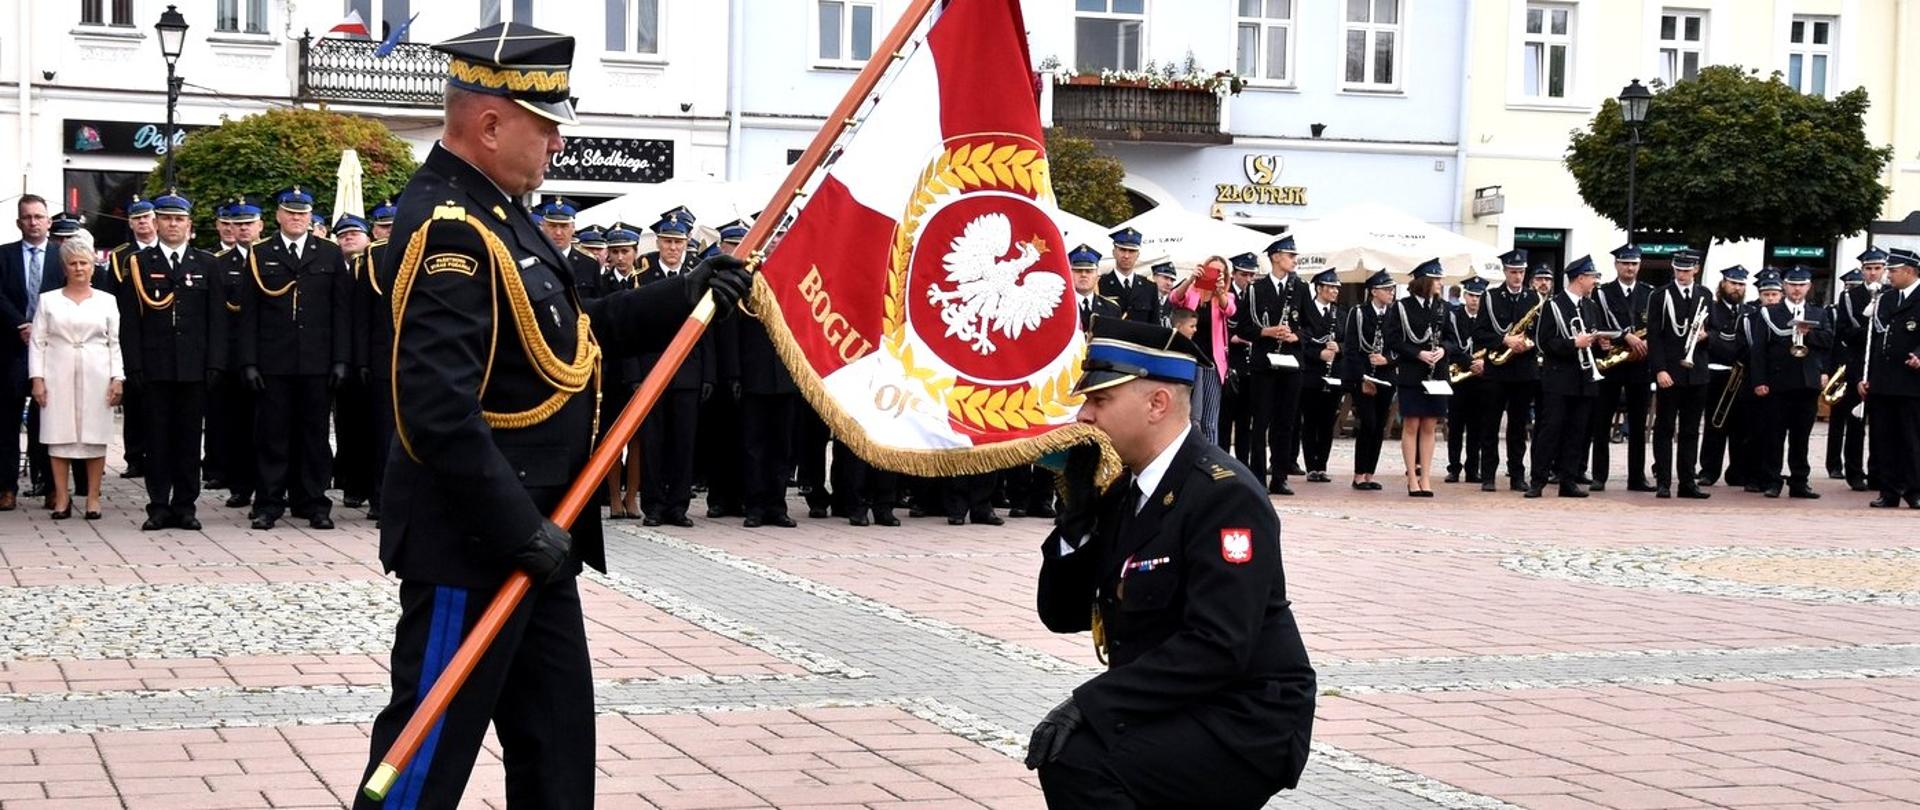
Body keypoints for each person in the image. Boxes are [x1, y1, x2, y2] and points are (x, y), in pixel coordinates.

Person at [355, 23, 751, 809]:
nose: (559, 141)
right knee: (422, 761)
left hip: (540, 533)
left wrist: (688, 293)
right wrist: (518, 531)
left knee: (559, 753)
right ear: (491, 122)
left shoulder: (503, 215)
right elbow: (437, 413)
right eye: (545, 123)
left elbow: (572, 335)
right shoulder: (450, 231)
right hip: (474, 543)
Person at [1028, 316, 1315, 808]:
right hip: (1181, 700)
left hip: (1246, 715)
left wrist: (1090, 703)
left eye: (1100, 401)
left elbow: (1219, 644)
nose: (1084, 417)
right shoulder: (1127, 490)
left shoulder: (1223, 496)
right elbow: (1063, 615)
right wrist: (1074, 522)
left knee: (1079, 761)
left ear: (1157, 403)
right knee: (1073, 755)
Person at [241, 187, 352, 530]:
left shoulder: (329, 254)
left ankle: (313, 502)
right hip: (274, 361)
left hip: (317, 362)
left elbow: (341, 311)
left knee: (314, 436)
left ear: (310, 217)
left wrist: (340, 359)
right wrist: (249, 361)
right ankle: (269, 504)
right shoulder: (260, 253)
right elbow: (248, 314)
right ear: (277, 216)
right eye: (290, 212)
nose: (296, 218)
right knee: (272, 435)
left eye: (302, 213)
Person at [122, 191, 228, 530]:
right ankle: (158, 506)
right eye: (166, 218)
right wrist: (134, 365)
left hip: (194, 367)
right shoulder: (140, 263)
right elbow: (130, 321)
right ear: (156, 222)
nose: (173, 224)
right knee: (156, 440)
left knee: (187, 440)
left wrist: (215, 363)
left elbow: (217, 320)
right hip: (155, 367)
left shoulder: (207, 263)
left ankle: (185, 506)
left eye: (179, 219)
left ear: (189, 225)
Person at [26, 233, 122, 520]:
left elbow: (114, 342)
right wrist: (38, 378)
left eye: (84, 262)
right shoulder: (48, 300)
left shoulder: (107, 301)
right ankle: (61, 497)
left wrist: (117, 377)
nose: (79, 268)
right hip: (58, 371)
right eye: (73, 263)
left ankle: (93, 497)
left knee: (95, 435)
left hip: (97, 371)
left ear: (93, 265)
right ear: (64, 267)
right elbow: (38, 342)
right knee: (59, 436)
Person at [634, 207, 716, 528]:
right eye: (667, 242)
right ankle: (653, 506)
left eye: (677, 242)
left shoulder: (699, 274)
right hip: (652, 371)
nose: (672, 248)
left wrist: (708, 374)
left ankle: (678, 507)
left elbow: (708, 329)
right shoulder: (643, 277)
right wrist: (635, 376)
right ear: (658, 244)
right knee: (653, 444)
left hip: (688, 373)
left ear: (686, 244)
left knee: (684, 442)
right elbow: (634, 329)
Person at [1528, 257, 1608, 498]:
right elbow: (1543, 342)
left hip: (1584, 379)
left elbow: (1592, 339)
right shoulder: (1553, 306)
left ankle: (1568, 480)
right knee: (1551, 430)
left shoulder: (1590, 306)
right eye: (1592, 277)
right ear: (1580, 278)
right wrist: (1574, 343)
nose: (1595, 282)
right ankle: (1538, 480)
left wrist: (1601, 344)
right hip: (1559, 379)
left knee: (1577, 431)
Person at [1234, 238, 1309, 495]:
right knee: (1261, 421)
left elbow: (1312, 326)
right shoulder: (1256, 289)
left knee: (1285, 422)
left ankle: (1280, 475)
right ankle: (1257, 476)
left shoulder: (1301, 288)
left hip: (1290, 364)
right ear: (1276, 257)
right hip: (1264, 365)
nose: (1294, 260)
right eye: (1290, 255)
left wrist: (1296, 335)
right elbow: (1243, 327)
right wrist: (1266, 331)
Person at [1750, 265, 1832, 499]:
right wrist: (1760, 380)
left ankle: (1799, 481)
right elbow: (1759, 350)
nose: (1797, 289)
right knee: (1774, 435)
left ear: (1808, 287)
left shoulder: (1818, 313)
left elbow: (1828, 341)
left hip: (1807, 382)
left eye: (1801, 285)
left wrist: (1809, 334)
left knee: (1801, 436)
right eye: (1793, 284)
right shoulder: (1771, 313)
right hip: (1778, 381)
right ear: (1784, 286)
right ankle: (1772, 480)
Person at [2, 195, 61, 512]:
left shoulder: (61, 257)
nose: (34, 222)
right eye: (27, 217)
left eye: (39, 216)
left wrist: (41, 328)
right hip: (11, 350)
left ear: (49, 221)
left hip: (51, 352)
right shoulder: (4, 256)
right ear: (18, 222)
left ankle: (50, 487)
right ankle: (6, 488)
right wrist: (21, 325)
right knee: (6, 423)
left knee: (47, 423)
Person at [1645, 248, 1712, 499]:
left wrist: (1706, 336)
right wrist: (1660, 369)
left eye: (1686, 270)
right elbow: (1654, 335)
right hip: (1670, 372)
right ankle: (1663, 481)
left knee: (1691, 430)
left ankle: (1687, 481)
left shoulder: (1704, 294)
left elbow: (1713, 330)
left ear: (1696, 270)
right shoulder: (1660, 295)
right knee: (1664, 428)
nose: (1682, 274)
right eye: (1678, 270)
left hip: (1697, 373)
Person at [1385, 259, 1455, 497]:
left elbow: (1452, 338)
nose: (1440, 283)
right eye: (1436, 279)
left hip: (1437, 373)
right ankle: (1412, 477)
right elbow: (1393, 339)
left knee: (1430, 425)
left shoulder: (1443, 307)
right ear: (1424, 281)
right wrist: (1418, 353)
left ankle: (1426, 476)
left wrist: (1444, 349)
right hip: (1412, 373)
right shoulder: (1402, 307)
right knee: (1412, 423)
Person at [1474, 253, 1542, 492]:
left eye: (1521, 272)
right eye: (1513, 271)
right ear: (1505, 272)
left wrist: (1528, 344)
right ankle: (1488, 475)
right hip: (1497, 369)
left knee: (1518, 426)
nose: (1517, 276)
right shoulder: (1491, 297)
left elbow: (1541, 333)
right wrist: (1504, 340)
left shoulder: (1534, 297)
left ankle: (1517, 475)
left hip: (1524, 370)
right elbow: (1479, 333)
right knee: (1490, 424)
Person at [1590, 244, 1654, 492]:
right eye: (1625, 263)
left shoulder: (1650, 293)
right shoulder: (1602, 293)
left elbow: (1657, 326)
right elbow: (1597, 325)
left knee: (1638, 425)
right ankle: (1598, 476)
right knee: (1601, 421)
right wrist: (1622, 338)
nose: (1630, 268)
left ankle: (1637, 477)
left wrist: (1648, 342)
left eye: (1634, 264)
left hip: (1640, 363)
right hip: (1611, 365)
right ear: (1616, 265)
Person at [213, 198, 264, 510]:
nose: (243, 228)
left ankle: (271, 483)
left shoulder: (272, 257)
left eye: (249, 222)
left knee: (268, 425)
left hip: (267, 355)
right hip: (232, 357)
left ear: (261, 225)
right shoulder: (219, 263)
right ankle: (241, 485)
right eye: (238, 223)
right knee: (237, 425)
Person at [105, 196, 159, 480]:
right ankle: (135, 457)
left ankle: (159, 454)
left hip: (163, 336)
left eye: (147, 217)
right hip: (132, 334)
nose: (142, 222)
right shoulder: (120, 256)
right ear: (130, 222)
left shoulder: (167, 252)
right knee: (136, 401)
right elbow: (111, 300)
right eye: (137, 218)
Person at [1865, 248, 1920, 508]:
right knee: (1884, 438)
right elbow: (1875, 340)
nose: (1889, 275)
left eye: (1894, 271)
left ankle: (1914, 489)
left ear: (1910, 271)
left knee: (1910, 439)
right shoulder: (1886, 299)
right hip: (1884, 381)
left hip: (1911, 382)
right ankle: (1889, 490)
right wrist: (1867, 377)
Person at [1829, 250, 1885, 491]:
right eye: (1868, 268)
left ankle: (1878, 472)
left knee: (1882, 425)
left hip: (1882, 367)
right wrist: (1865, 329)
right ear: (1862, 270)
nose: (1872, 273)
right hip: (1856, 364)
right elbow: (1842, 330)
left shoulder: (1891, 294)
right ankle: (1854, 472)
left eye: (1877, 268)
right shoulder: (1851, 296)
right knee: (1855, 422)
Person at [1170, 256, 1237, 448]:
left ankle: (1209, 458)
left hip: (1211, 363)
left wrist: (1220, 291)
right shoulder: (1191, 292)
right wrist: (1192, 279)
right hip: (1187, 359)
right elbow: (1174, 298)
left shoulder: (1226, 296)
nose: (1215, 276)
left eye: (1220, 273)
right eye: (1211, 271)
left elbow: (1230, 310)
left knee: (1208, 418)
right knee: (1187, 415)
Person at [1696, 266, 1751, 488]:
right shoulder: (1712, 309)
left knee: (1741, 426)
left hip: (1741, 375)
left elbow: (1746, 343)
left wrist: (1716, 340)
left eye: (1740, 284)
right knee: (1715, 424)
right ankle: (1709, 470)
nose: (1736, 288)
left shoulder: (1748, 312)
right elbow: (1710, 343)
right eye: (1733, 283)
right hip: (1717, 373)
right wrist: (1718, 341)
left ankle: (1737, 471)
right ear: (1723, 284)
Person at [1343, 270, 1397, 491]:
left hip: (1385, 376)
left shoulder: (1394, 314)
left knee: (1380, 426)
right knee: (1369, 423)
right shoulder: (1359, 313)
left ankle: (1369, 473)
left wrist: (1389, 360)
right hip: (1363, 377)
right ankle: (1358, 474)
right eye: (1386, 289)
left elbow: (1400, 346)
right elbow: (1352, 349)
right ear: (1374, 291)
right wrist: (1362, 378)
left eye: (1392, 289)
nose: (1391, 293)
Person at [1296, 268, 1343, 483]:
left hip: (1333, 376)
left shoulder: (1339, 314)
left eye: (1336, 288)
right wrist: (1319, 354)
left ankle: (1322, 465)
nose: (1334, 291)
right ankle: (1311, 465)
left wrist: (1338, 347)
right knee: (1310, 421)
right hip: (1311, 375)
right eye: (1330, 287)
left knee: (1327, 421)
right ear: (1319, 288)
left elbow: (1349, 342)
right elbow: (1301, 342)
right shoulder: (1306, 312)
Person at [1445, 277, 1489, 484]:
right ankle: (1454, 467)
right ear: (1464, 296)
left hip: (1480, 380)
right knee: (1455, 426)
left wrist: (1483, 364)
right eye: (1471, 295)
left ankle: (1473, 468)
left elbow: (1494, 344)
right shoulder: (1454, 317)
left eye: (1479, 296)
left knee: (1477, 426)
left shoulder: (1488, 319)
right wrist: (1469, 362)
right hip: (1459, 377)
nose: (1475, 300)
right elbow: (1450, 345)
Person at [1217, 258, 1259, 464]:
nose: (1248, 279)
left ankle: (1243, 464)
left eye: (1252, 275)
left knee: (1245, 421)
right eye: (1244, 274)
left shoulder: (1254, 296)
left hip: (1249, 365)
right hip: (1229, 362)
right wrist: (1237, 337)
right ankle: (1223, 461)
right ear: (1234, 274)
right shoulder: (1226, 293)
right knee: (1225, 419)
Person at [1099, 227, 1157, 322]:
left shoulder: (1149, 287)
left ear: (1138, 255)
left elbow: (1155, 326)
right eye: (1122, 250)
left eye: (1131, 251)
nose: (1126, 256)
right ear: (1114, 252)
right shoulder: (1101, 284)